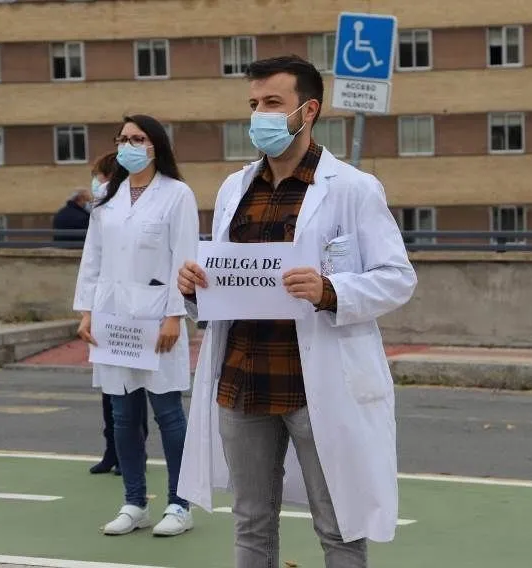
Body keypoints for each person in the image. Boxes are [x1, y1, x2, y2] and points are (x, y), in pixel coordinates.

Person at [176, 55, 417, 567]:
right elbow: (227, 278)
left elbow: (398, 278)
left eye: (272, 103)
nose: (259, 115)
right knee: (250, 525)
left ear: (307, 111)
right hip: (241, 381)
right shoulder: (233, 189)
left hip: (317, 386)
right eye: (253, 104)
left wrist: (331, 290)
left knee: (339, 526)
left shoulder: (351, 188)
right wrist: (195, 287)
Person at [73, 114, 200, 537]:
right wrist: (86, 311)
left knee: (168, 413)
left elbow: (184, 258)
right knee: (124, 416)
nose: (128, 144)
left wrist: (173, 316)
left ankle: (180, 505)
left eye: (137, 138)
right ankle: (134, 501)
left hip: (157, 318)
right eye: (123, 138)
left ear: (155, 145)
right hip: (113, 319)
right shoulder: (108, 197)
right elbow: (93, 259)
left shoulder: (176, 195)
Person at [86, 150, 150, 477]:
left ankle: (131, 452)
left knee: (140, 390)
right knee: (113, 391)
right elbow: (94, 257)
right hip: (109, 309)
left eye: (99, 175)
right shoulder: (105, 202)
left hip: (140, 308)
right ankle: (114, 450)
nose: (96, 182)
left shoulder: (151, 199)